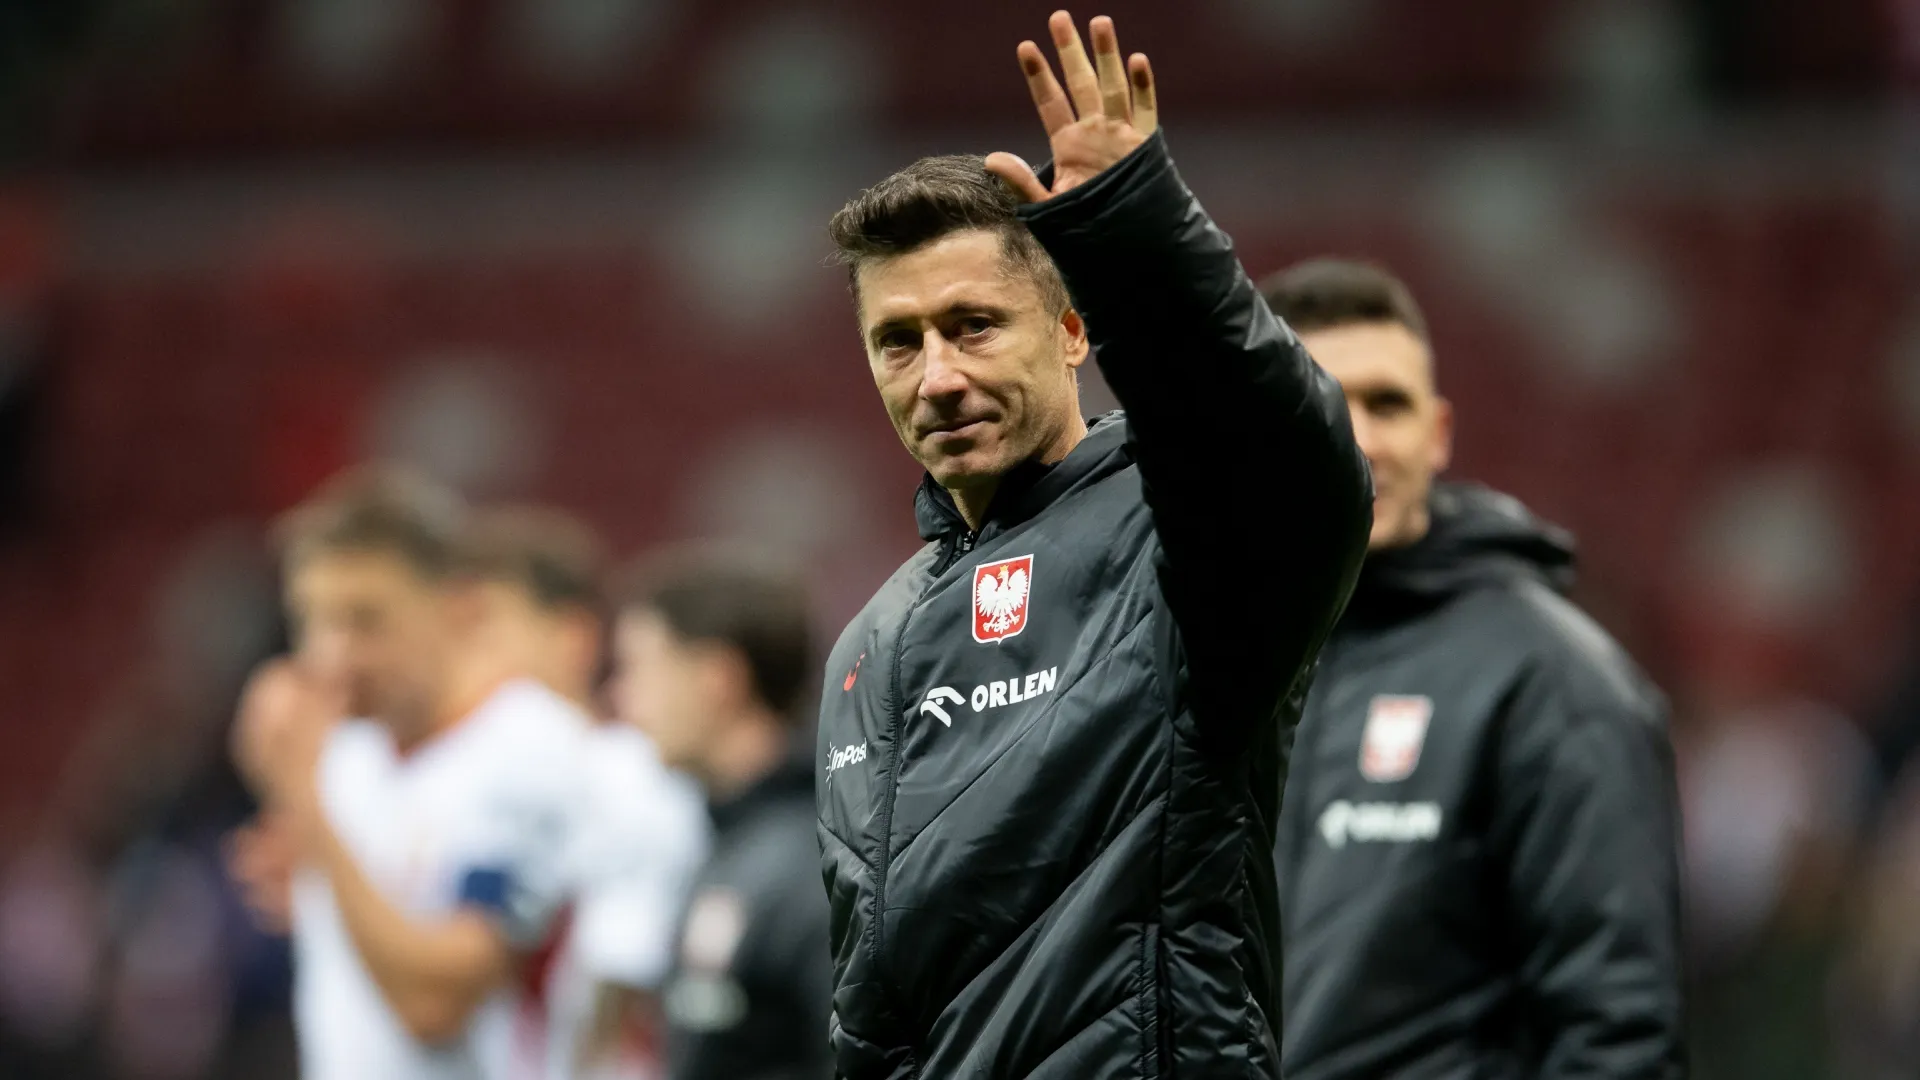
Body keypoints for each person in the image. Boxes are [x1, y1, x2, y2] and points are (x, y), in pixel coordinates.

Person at [814, 12, 1371, 1078]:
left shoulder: (1175, 542)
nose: (936, 376)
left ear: (1073, 331)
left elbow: (1294, 473)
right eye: (899, 341)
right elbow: (870, 1011)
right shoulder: (865, 648)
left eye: (975, 324)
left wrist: (1138, 236)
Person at [1261, 259, 1686, 1078]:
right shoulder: (1201, 662)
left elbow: (1617, 1035)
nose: (1366, 439)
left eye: (1390, 403)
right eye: (1325, 400)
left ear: (1439, 432)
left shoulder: (1556, 681)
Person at [229, 468, 595, 1080]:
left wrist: (309, 812)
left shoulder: (533, 750)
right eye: (312, 620)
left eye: (365, 621)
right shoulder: (346, 751)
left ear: (457, 609)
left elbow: (434, 1006)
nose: (331, 653)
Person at [459, 507, 708, 1080]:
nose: (470, 654)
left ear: (571, 637)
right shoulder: (471, 781)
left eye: (487, 625)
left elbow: (619, 989)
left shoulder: (636, 777)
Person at [610, 546, 832, 1080]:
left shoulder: (814, 861)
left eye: (640, 667)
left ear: (718, 678)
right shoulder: (733, 842)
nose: (620, 697)